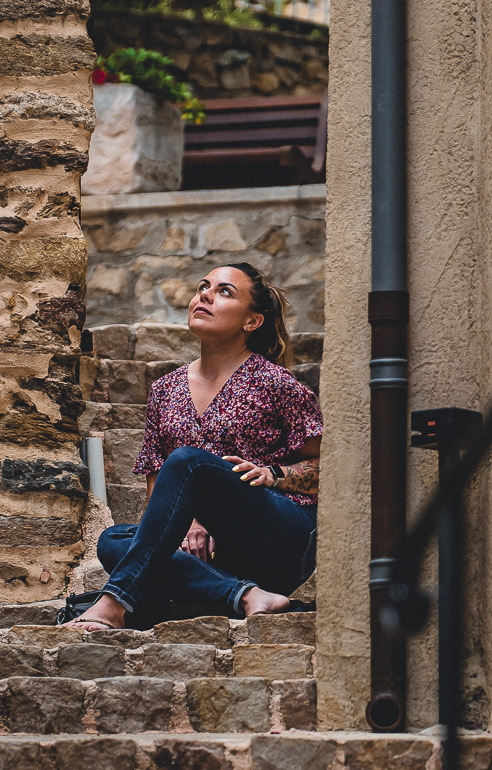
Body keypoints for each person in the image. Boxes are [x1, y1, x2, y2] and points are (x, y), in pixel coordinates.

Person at [66, 263, 322, 630]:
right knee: (112, 541)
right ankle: (245, 595)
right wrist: (188, 523)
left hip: (279, 538)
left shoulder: (276, 383)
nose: (205, 295)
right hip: (215, 554)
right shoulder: (165, 390)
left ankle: (115, 601)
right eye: (203, 287)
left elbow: (328, 465)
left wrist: (274, 474)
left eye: (224, 291)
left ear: (252, 321)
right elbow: (158, 481)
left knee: (190, 462)